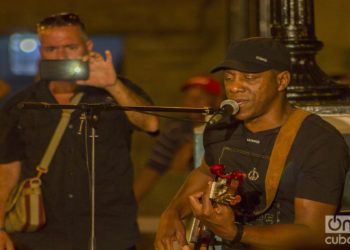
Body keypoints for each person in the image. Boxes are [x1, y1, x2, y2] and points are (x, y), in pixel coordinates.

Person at [154, 37, 350, 250]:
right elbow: (206, 171)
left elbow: (315, 233)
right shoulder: (222, 127)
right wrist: (171, 214)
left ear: (282, 81)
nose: (235, 87)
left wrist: (236, 232)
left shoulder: (317, 141)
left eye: (250, 77)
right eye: (229, 78)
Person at [0, 12, 158, 250]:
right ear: (41, 51)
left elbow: (151, 124)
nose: (61, 55)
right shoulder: (22, 103)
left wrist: (113, 85)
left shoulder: (115, 92)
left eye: (70, 47)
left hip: (110, 236)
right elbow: (7, 172)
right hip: (40, 237)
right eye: (52, 49)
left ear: (88, 47)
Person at [133, 76, 222, 202]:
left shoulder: (228, 128)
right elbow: (157, 168)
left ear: (217, 100)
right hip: (188, 197)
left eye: (201, 97)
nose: (193, 102)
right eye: (189, 97)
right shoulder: (175, 129)